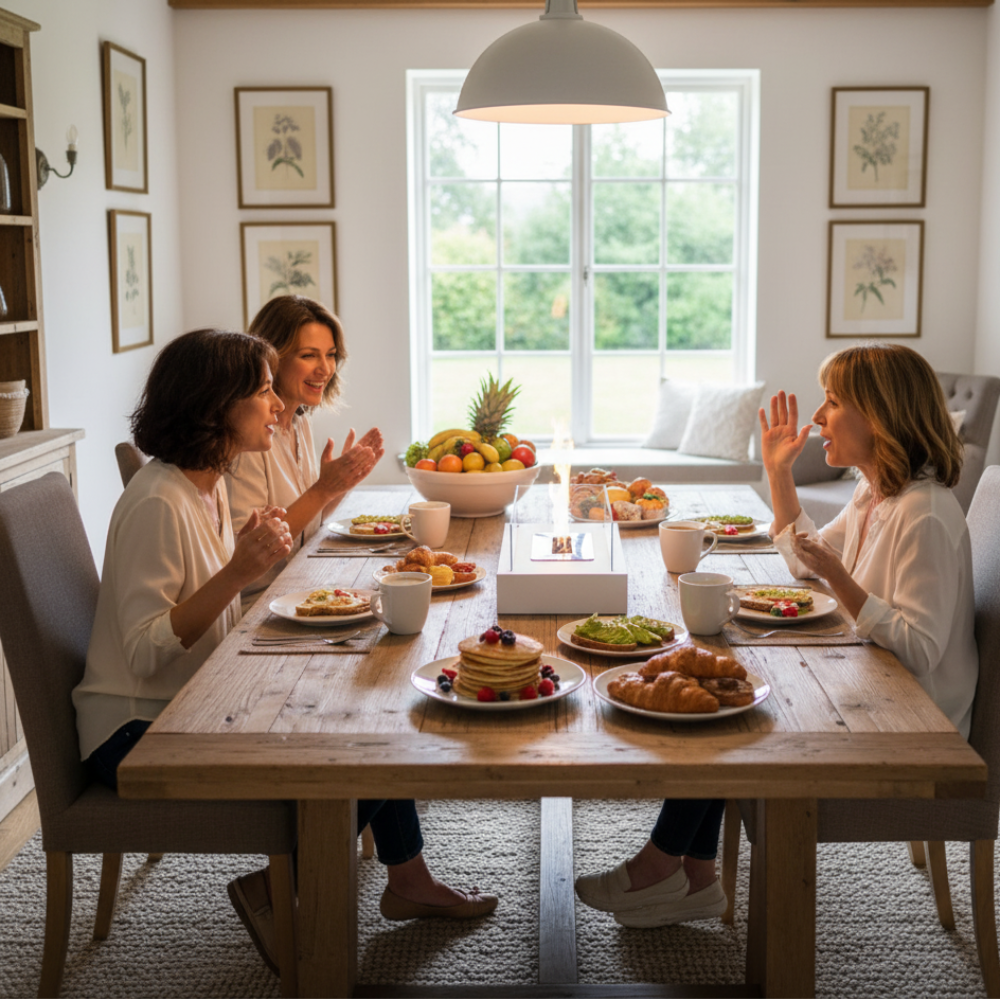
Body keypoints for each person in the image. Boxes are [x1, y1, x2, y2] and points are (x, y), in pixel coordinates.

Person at [74, 330, 495, 978]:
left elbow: (213, 622)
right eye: (263, 390)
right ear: (217, 405)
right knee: (366, 740)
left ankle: (405, 876)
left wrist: (248, 574)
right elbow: (142, 652)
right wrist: (238, 573)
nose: (278, 404)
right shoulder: (159, 502)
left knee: (376, 708)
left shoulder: (202, 486)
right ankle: (282, 888)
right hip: (135, 731)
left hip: (187, 700)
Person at [574, 341, 977, 930]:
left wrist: (839, 576)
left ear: (881, 415)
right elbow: (806, 562)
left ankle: (666, 866)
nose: (817, 418)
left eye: (833, 402)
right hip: (869, 681)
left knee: (731, 713)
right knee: (724, 688)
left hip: (914, 724)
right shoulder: (876, 494)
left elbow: (918, 646)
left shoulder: (926, 514)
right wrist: (778, 472)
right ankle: (694, 875)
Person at [226, 295, 385, 607]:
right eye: (309, 355)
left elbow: (306, 527)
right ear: (272, 358)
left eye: (331, 355)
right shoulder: (246, 441)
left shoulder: (299, 424)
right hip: (257, 604)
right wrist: (325, 487)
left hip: (297, 587)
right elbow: (247, 558)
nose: (325, 369)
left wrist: (342, 482)